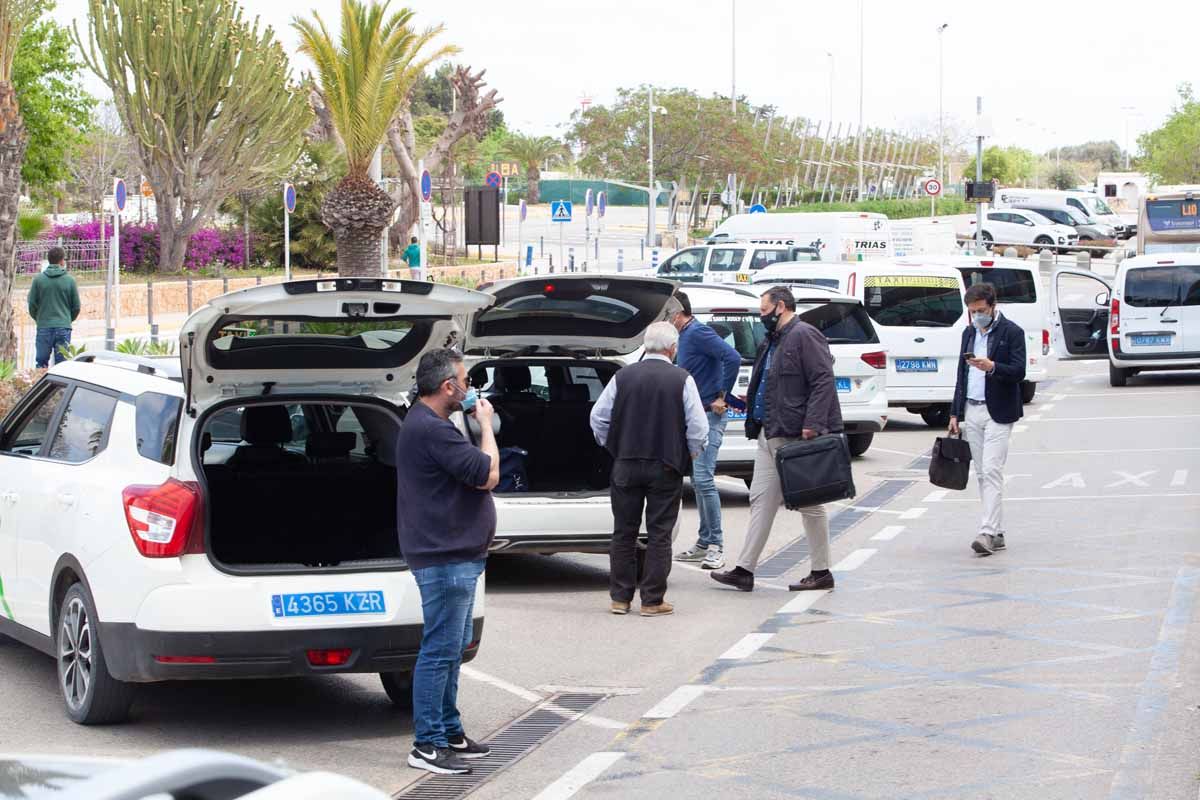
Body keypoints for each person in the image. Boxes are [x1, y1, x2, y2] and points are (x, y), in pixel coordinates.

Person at [395, 348, 499, 776]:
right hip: (445, 556)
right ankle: (427, 744)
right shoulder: (431, 430)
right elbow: (487, 473)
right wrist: (485, 425)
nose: (471, 388)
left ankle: (449, 730)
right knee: (439, 651)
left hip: (455, 553)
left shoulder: (430, 424)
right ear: (447, 387)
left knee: (452, 649)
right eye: (467, 381)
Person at [711, 286, 843, 593]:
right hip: (768, 431)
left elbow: (823, 380)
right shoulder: (773, 339)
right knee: (761, 500)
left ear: (780, 307)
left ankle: (821, 571)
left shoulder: (804, 335)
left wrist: (813, 422)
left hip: (794, 431)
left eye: (763, 311)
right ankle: (744, 570)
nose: (762, 317)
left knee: (809, 503)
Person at [590, 321, 708, 617]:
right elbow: (698, 427)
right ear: (673, 348)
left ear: (645, 345)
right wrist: (689, 453)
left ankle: (620, 598)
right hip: (665, 465)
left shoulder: (622, 377)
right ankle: (652, 600)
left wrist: (614, 447)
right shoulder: (682, 379)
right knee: (659, 534)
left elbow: (598, 418)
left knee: (623, 532)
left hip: (625, 464)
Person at [949, 282, 1026, 557]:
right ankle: (998, 531)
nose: (977, 316)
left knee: (992, 469)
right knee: (981, 473)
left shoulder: (1012, 332)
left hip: (999, 412)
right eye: (972, 311)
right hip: (972, 409)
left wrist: (993, 367)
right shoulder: (968, 333)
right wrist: (955, 412)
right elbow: (962, 374)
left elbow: (1019, 371)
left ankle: (987, 532)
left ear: (993, 306)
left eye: (981, 310)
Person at [670, 291, 742, 571]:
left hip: (710, 415)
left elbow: (733, 358)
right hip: (695, 415)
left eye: (667, 314)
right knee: (699, 481)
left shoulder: (698, 332)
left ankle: (716, 546)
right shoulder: (685, 336)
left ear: (678, 313)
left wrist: (723, 395)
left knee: (703, 479)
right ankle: (704, 543)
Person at [28, 247, 80, 369]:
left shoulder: (38, 280)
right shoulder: (69, 280)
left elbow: (32, 304)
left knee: (41, 364)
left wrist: (40, 318)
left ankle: (42, 387)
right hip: (63, 327)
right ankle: (61, 388)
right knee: (62, 366)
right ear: (62, 261)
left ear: (49, 260)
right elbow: (76, 306)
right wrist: (66, 319)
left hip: (44, 326)